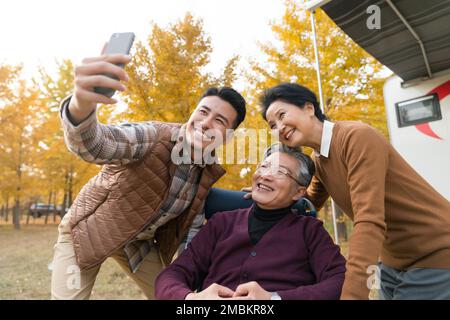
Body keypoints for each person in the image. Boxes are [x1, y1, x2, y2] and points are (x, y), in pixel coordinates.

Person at [50, 51, 246, 299]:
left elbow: (192, 230)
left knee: (174, 296)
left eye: (219, 120)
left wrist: (193, 285)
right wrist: (81, 105)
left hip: (137, 244)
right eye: (203, 111)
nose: (206, 123)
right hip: (87, 231)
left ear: (227, 136)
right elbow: (96, 145)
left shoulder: (207, 171)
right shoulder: (152, 137)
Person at [257, 83, 450, 300]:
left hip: (435, 252)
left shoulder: (356, 137)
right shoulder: (318, 161)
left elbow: (369, 219)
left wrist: (352, 295)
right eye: (273, 125)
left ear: (309, 108)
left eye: (282, 115)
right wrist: (268, 188)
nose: (279, 127)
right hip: (393, 262)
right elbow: (307, 203)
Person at [155, 144, 346, 300]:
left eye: (280, 172)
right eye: (263, 167)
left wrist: (273, 299)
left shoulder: (310, 231)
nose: (266, 175)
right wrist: (192, 299)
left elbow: (341, 280)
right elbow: (171, 276)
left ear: (298, 192)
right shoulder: (221, 223)